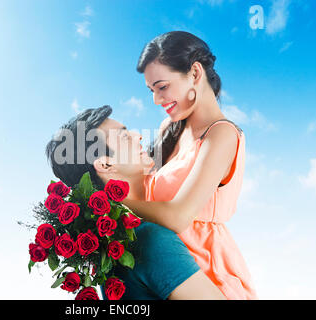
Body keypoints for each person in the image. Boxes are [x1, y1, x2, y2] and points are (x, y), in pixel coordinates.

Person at [119, 31, 257, 299]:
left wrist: (119, 199)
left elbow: (178, 216)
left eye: (162, 87)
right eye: (151, 91)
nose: (157, 100)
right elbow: (143, 189)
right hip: (156, 266)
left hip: (202, 273)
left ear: (195, 73)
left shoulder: (222, 134)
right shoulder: (168, 129)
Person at [45, 106, 225, 300]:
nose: (138, 136)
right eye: (124, 137)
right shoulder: (148, 239)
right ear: (106, 165)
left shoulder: (115, 250)